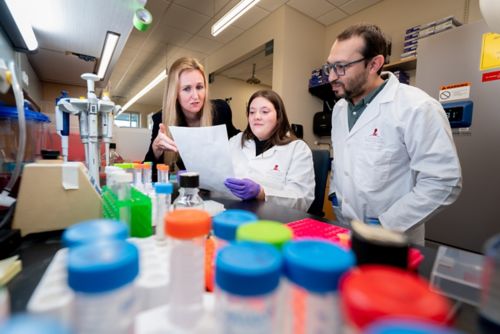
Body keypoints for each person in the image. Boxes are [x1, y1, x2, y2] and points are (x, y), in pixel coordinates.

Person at [325, 24, 462, 245]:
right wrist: (335, 198)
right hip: (346, 230)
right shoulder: (340, 109)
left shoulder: (417, 107)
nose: (331, 76)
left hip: (393, 238)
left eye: (341, 67)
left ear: (374, 64)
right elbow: (343, 164)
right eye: (329, 67)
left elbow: (442, 181)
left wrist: (384, 225)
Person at [143, 57, 239, 180]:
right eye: (187, 89)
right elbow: (147, 176)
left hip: (220, 186)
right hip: (189, 188)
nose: (195, 96)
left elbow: (236, 141)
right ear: (175, 93)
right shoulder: (161, 120)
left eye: (199, 87)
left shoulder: (220, 111)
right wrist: (155, 150)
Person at [224, 89, 315, 212]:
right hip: (232, 213)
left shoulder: (297, 149)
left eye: (265, 112)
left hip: (273, 220)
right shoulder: (236, 141)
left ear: (278, 117)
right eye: (252, 112)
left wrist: (261, 193)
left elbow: (301, 200)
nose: (256, 117)